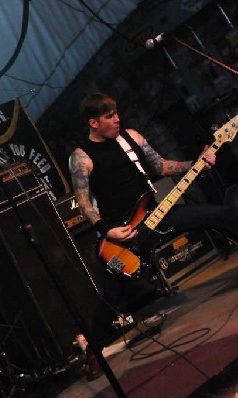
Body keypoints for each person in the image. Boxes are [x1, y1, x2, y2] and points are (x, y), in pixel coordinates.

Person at [68, 93, 238, 380]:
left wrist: (196, 161)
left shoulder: (131, 137)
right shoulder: (81, 157)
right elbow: (83, 202)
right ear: (93, 122)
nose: (117, 119)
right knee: (111, 298)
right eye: (109, 116)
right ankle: (94, 353)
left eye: (117, 113)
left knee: (223, 215)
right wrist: (106, 228)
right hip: (124, 235)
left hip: (158, 213)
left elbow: (161, 167)